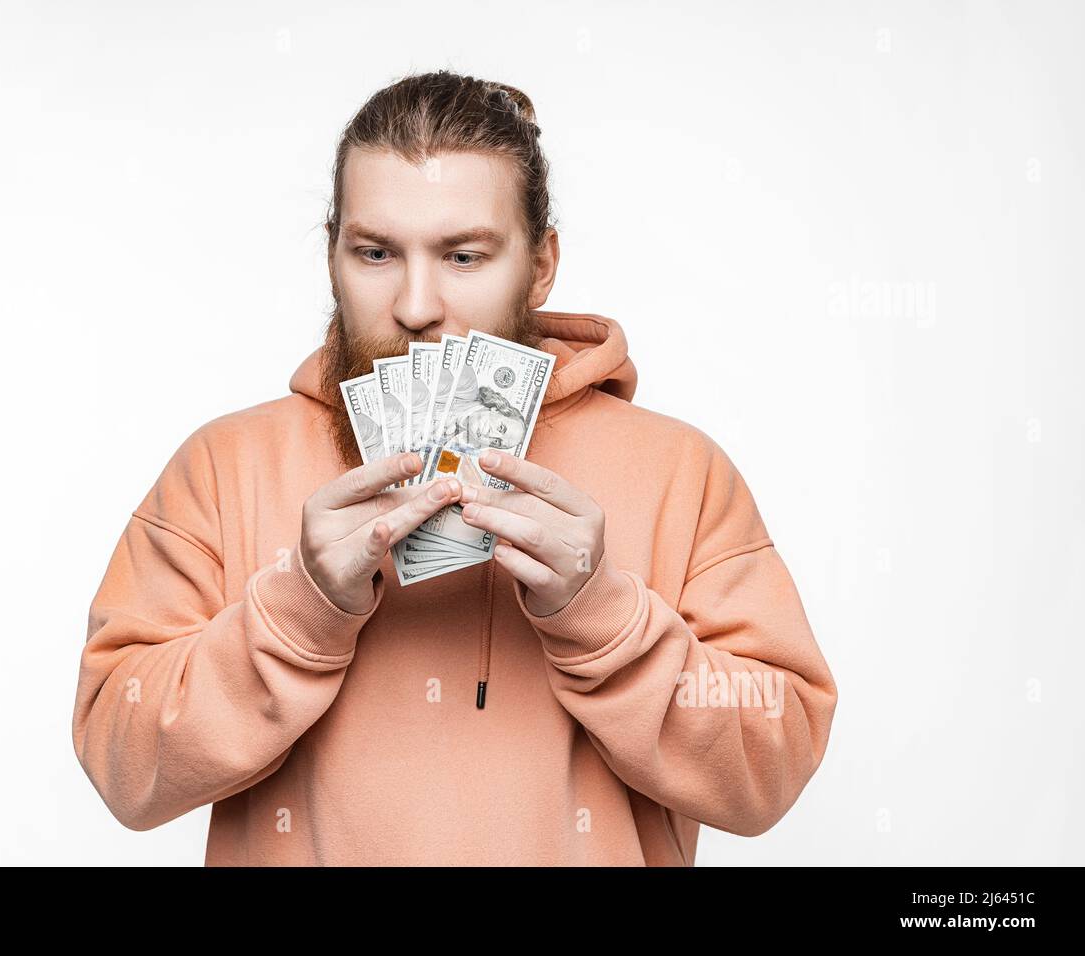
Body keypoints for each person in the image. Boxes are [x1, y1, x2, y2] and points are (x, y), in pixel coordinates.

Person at [71, 70, 838, 866]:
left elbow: (772, 770)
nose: (414, 303)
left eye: (464, 255)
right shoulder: (223, 466)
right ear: (331, 252)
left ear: (541, 264)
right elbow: (119, 761)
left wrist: (605, 619)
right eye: (375, 252)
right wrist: (296, 613)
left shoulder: (684, 471)